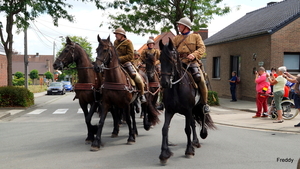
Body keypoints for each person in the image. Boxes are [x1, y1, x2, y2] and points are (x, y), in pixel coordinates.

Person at [172, 17, 209, 113]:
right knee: (166, 78)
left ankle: (205, 104)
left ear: (185, 26)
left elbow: (202, 48)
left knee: (200, 79)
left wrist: (194, 54)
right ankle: (164, 102)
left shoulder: (196, 36)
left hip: (192, 63)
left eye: (180, 25)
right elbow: (171, 50)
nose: (178, 26)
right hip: (179, 64)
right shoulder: (176, 38)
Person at [113, 27, 146, 103]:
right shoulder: (115, 42)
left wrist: (119, 59)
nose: (115, 35)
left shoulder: (128, 42)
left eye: (117, 34)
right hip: (116, 64)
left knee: (137, 78)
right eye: (115, 34)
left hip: (126, 63)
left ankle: (142, 95)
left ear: (122, 35)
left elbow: (130, 56)